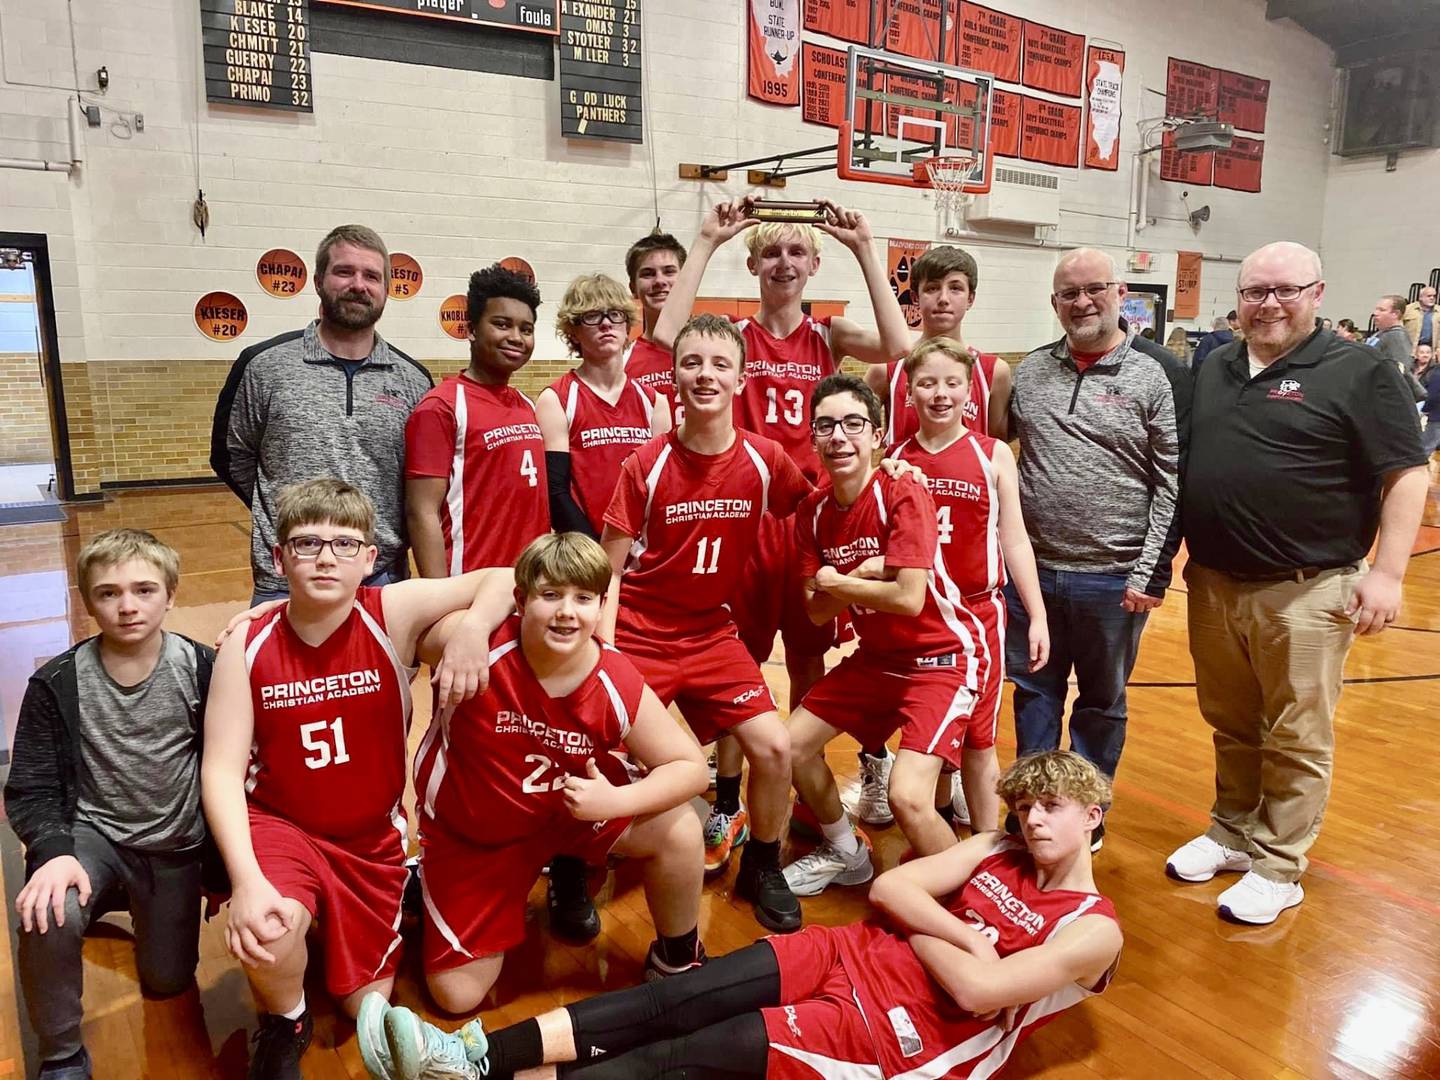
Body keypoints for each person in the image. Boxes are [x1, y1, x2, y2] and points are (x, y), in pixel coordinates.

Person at [355, 750, 1123, 1080]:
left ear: (1093, 816)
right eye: (1023, 806)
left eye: (1050, 808)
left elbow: (980, 997)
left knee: (684, 1053)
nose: (1030, 822)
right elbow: (891, 894)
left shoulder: (1094, 929)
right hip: (855, 952)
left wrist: (932, 931)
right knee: (674, 994)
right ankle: (473, 1058)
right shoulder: (994, 843)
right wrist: (958, 935)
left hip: (904, 1038)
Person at [202, 479, 516, 1079]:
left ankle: (396, 895)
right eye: (306, 543)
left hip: (371, 837)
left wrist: (472, 631)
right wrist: (245, 880)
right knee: (270, 928)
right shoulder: (247, 641)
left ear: (371, 560)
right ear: (278, 557)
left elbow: (502, 575)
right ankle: (286, 1019)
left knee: (365, 1005)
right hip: (282, 824)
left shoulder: (390, 613)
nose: (326, 557)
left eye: (346, 545)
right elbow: (219, 770)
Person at [1170, 241, 1429, 924]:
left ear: (1316, 293)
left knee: (1296, 733)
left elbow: (1408, 473)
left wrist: (1388, 573)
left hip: (1308, 587)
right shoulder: (1217, 364)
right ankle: (1231, 831)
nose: (1268, 304)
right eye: (1255, 291)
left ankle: (1279, 865)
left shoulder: (1359, 370)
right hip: (1215, 581)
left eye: (1285, 290)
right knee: (1231, 722)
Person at [652, 200, 913, 874]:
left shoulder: (829, 335)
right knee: (737, 667)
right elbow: (664, 336)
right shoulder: (734, 336)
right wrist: (706, 239)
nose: (785, 263)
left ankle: (802, 777)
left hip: (805, 521)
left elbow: (899, 348)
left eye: (797, 253)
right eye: (772, 253)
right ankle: (729, 797)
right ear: (755, 262)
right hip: (742, 520)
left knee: (806, 664)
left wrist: (864, 246)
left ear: (813, 264)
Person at [397, 532, 708, 1030]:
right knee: (456, 996)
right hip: (476, 834)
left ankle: (678, 955)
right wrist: (473, 626)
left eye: (584, 599)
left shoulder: (613, 677)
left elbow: (689, 765)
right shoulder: (468, 642)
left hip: (568, 814)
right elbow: (378, 616)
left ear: (602, 606)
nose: (567, 612)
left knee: (679, 828)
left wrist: (617, 798)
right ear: (520, 602)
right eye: (551, 595)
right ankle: (425, 878)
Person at [597, 314, 812, 933]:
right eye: (692, 363)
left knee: (773, 746)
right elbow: (607, 569)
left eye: (720, 364)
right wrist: (607, 650)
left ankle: (763, 865)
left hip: (711, 632)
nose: (705, 375)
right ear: (673, 377)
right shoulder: (648, 463)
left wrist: (887, 469)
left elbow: (823, 508)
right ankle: (572, 866)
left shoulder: (766, 458)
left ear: (741, 378)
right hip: (640, 628)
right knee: (602, 746)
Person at [6, 530, 216, 1080]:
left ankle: (130, 899)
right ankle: (62, 1055)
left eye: (144, 590)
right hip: (91, 837)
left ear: (171, 595)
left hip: (173, 844)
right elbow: (29, 787)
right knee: (48, 912)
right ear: (87, 601)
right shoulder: (56, 681)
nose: (127, 607)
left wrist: (222, 868)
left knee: (168, 981)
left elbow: (238, 766)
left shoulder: (204, 669)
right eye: (108, 593)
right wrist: (51, 852)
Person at [1005, 248, 1189, 851]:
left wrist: (1151, 571)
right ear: (1054, 303)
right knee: (1034, 694)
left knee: (1102, 703)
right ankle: (1031, 806)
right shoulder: (1031, 371)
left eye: (1094, 289)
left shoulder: (1157, 372)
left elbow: (1171, 480)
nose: (1082, 302)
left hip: (1114, 580)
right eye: (1068, 294)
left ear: (1120, 292)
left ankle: (1083, 814)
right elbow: (996, 458)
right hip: (1033, 576)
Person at [211, 224, 433, 605]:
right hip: (285, 579)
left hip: (380, 577)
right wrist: (284, 511)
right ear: (318, 281)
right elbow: (232, 455)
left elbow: (420, 481)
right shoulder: (264, 365)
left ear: (385, 290)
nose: (358, 285)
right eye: (344, 272)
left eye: (372, 276)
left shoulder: (413, 380)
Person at [893, 338, 1048, 834]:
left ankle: (988, 846)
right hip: (918, 616)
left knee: (980, 744)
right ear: (909, 394)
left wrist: (1037, 614)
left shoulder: (994, 453)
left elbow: (1016, 539)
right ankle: (936, 828)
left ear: (970, 392)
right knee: (928, 736)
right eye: (927, 383)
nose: (940, 394)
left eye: (952, 383)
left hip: (978, 618)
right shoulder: (895, 459)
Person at [405, 264, 549, 578]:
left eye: (526, 329)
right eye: (502, 324)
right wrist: (440, 599)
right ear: (471, 330)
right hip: (469, 586)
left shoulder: (526, 404)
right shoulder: (441, 406)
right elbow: (422, 511)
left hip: (528, 583)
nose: (516, 337)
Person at [538, 274, 672, 539]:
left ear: (627, 325)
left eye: (615, 314)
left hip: (643, 548)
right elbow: (556, 492)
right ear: (573, 330)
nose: (606, 323)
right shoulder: (557, 400)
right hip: (587, 550)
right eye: (592, 316)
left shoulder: (655, 402)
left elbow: (663, 487)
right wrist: (598, 555)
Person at [863, 244, 1013, 447]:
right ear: (915, 297)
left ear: (970, 299)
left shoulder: (994, 372)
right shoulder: (888, 367)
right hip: (904, 477)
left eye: (955, 288)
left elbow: (997, 449)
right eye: (932, 288)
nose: (943, 299)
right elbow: (857, 435)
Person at [623, 232, 687, 410]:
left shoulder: (714, 346)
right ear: (633, 288)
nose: (659, 281)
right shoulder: (621, 359)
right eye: (648, 274)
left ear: (687, 279)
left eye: (669, 271)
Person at [1369, 294, 1412, 368]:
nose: (1375, 313)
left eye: (1382, 310)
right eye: (1376, 309)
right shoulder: (1381, 334)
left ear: (1395, 314)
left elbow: (1402, 369)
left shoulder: (1397, 336)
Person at [1403, 284, 1437, 349]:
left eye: (1434, 296)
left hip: (1430, 350)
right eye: (1429, 296)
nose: (1432, 298)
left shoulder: (1438, 311)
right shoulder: (1408, 309)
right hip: (1409, 348)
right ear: (1420, 297)